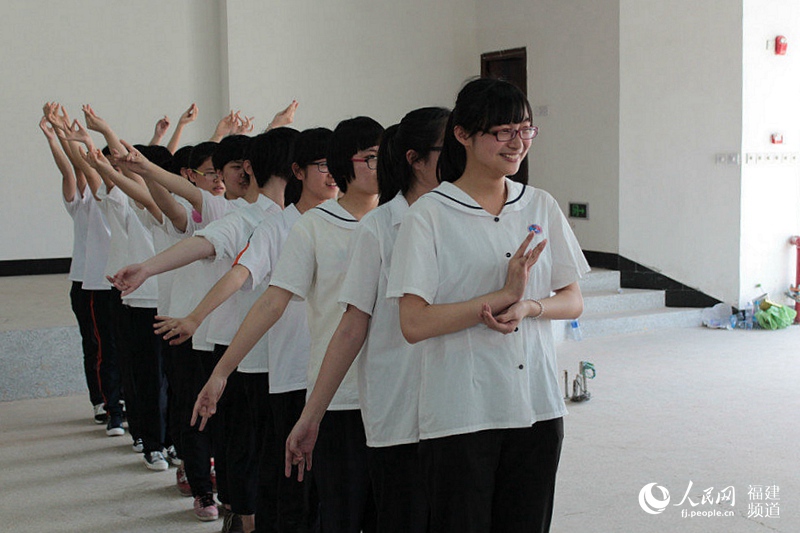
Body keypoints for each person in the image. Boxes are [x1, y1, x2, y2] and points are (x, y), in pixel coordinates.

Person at [386, 78, 589, 533]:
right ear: (463, 133)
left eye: (526, 130)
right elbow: (413, 322)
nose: (517, 143)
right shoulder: (429, 216)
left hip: (536, 406)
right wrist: (500, 296)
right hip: (462, 412)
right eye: (503, 131)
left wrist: (529, 307)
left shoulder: (540, 204)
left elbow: (572, 300)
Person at [192, 116, 384, 533]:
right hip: (335, 394)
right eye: (369, 156)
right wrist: (221, 372)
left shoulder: (402, 219)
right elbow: (271, 302)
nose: (379, 164)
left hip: (395, 392)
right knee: (323, 503)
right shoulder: (310, 226)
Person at [285, 107, 450, 533]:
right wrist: (311, 414)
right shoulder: (373, 229)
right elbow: (350, 325)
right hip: (373, 399)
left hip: (452, 404)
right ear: (414, 158)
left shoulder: (454, 217)